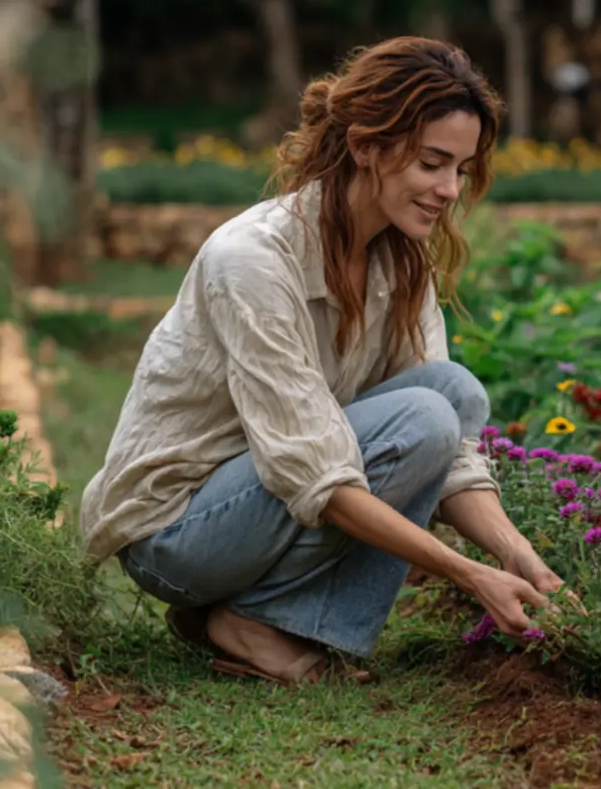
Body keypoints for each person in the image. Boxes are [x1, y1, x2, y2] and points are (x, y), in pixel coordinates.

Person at [78, 37, 562, 688]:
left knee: (453, 392)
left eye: (461, 170)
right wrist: (468, 575)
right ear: (366, 147)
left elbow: (448, 456)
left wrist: (516, 554)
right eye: (432, 163)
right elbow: (317, 474)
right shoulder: (253, 259)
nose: (449, 190)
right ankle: (254, 623)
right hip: (176, 532)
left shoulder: (400, 258)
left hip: (263, 503)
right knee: (425, 414)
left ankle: (260, 617)